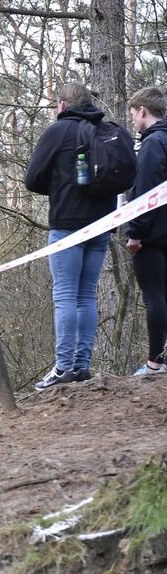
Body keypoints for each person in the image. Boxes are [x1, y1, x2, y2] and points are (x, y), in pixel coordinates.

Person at [24, 82, 119, 389]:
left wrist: (57, 186)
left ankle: (64, 367)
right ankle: (81, 366)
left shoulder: (58, 131)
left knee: (65, 294)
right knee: (86, 294)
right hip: (102, 224)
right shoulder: (106, 130)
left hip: (67, 223)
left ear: (63, 105)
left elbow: (32, 178)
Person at [125, 86, 167, 376]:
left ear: (142, 111)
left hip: (153, 235)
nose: (133, 121)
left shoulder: (153, 143)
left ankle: (155, 362)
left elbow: (146, 193)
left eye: (133, 115)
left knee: (154, 296)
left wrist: (135, 233)